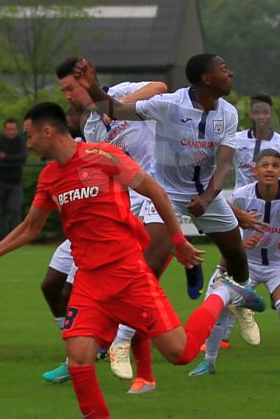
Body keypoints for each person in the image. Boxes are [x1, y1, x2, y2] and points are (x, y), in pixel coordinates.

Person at [0, 102, 266, 419]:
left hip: (129, 274)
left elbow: (155, 191)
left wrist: (177, 240)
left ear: (48, 131)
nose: (27, 143)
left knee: (181, 353)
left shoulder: (104, 156)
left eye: (29, 135)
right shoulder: (50, 178)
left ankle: (225, 293)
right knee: (79, 360)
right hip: (90, 283)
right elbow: (31, 227)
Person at [72, 55, 259, 317]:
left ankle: (240, 300)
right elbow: (115, 110)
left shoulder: (228, 112)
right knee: (153, 261)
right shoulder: (169, 104)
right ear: (207, 78)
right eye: (224, 69)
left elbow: (225, 163)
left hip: (206, 194)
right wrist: (93, 85)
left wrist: (206, 198)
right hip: (165, 193)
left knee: (237, 257)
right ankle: (123, 338)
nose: (231, 74)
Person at [51, 65, 167, 389]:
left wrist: (117, 105)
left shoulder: (120, 92)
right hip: (121, 204)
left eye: (70, 88)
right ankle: (95, 348)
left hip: (157, 188)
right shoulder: (90, 127)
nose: (67, 96)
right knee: (71, 284)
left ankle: (122, 343)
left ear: (87, 81)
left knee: (148, 267)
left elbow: (160, 85)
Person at [191, 149, 280, 378]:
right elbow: (227, 228)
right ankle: (209, 361)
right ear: (255, 170)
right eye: (264, 165)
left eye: (275, 166)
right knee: (220, 309)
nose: (269, 169)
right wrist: (241, 247)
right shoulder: (241, 196)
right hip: (246, 263)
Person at [233, 94, 280, 188]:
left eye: (266, 112)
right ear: (250, 115)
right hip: (241, 198)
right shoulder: (236, 139)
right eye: (256, 112)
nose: (261, 116)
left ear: (272, 115)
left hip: (269, 198)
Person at [0, 118, 28, 241]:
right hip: (1, 181)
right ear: (5, 130)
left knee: (16, 209)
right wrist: (14, 158)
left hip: (16, 182)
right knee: (2, 211)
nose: (11, 132)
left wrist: (5, 156)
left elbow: (23, 157)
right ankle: (4, 238)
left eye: (14, 129)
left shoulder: (21, 140)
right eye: (9, 129)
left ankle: (16, 238)